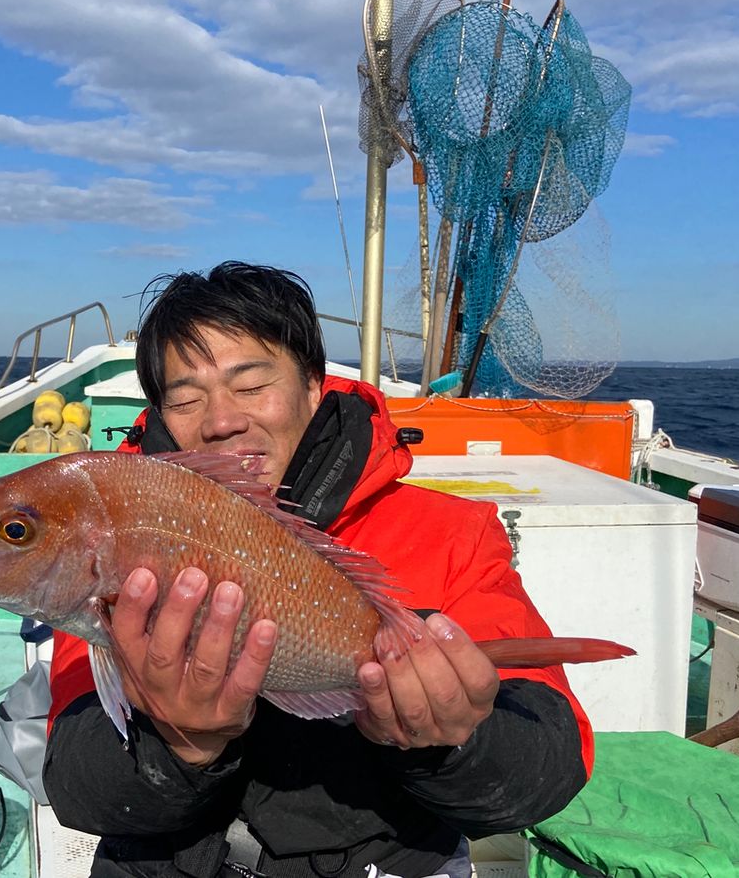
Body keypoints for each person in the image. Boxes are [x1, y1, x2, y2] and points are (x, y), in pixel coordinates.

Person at [43, 262, 592, 878]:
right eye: (185, 397)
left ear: (312, 384)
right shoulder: (123, 538)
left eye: (250, 385)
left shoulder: (453, 534)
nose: (221, 419)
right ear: (161, 415)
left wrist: (451, 742)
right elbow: (76, 785)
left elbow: (545, 769)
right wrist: (178, 748)